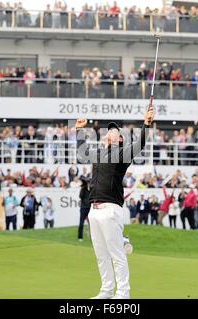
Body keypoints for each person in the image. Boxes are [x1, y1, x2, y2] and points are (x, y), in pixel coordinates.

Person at [75, 103, 153, 299]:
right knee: (101, 255)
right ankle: (107, 290)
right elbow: (82, 151)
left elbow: (139, 145)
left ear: (119, 138)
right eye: (108, 130)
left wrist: (146, 124)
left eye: (113, 131)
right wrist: (79, 130)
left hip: (111, 209)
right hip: (94, 209)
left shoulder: (122, 153)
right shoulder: (98, 154)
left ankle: (123, 293)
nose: (109, 132)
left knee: (116, 254)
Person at [78, 176, 91, 240]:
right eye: (87, 182)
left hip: (90, 208)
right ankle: (80, 237)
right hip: (83, 208)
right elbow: (80, 196)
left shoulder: (91, 189)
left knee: (91, 223)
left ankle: (91, 236)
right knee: (81, 223)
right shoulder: (83, 189)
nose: (88, 183)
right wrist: (83, 188)